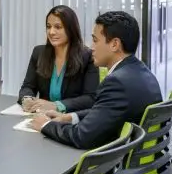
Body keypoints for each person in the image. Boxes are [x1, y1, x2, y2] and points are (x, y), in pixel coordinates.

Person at [29, 11, 162, 151]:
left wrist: (45, 125)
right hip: (141, 160)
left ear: (114, 44)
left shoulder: (117, 83)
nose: (92, 47)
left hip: (117, 163)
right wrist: (69, 117)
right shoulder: (140, 71)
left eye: (95, 40)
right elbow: (105, 111)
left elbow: (82, 137)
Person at [18, 5, 100, 114]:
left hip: (71, 120)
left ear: (71, 29)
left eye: (58, 27)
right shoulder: (38, 52)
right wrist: (27, 99)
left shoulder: (88, 56)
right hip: (41, 117)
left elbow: (90, 98)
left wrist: (56, 106)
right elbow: (28, 86)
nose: (51, 32)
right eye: (48, 26)